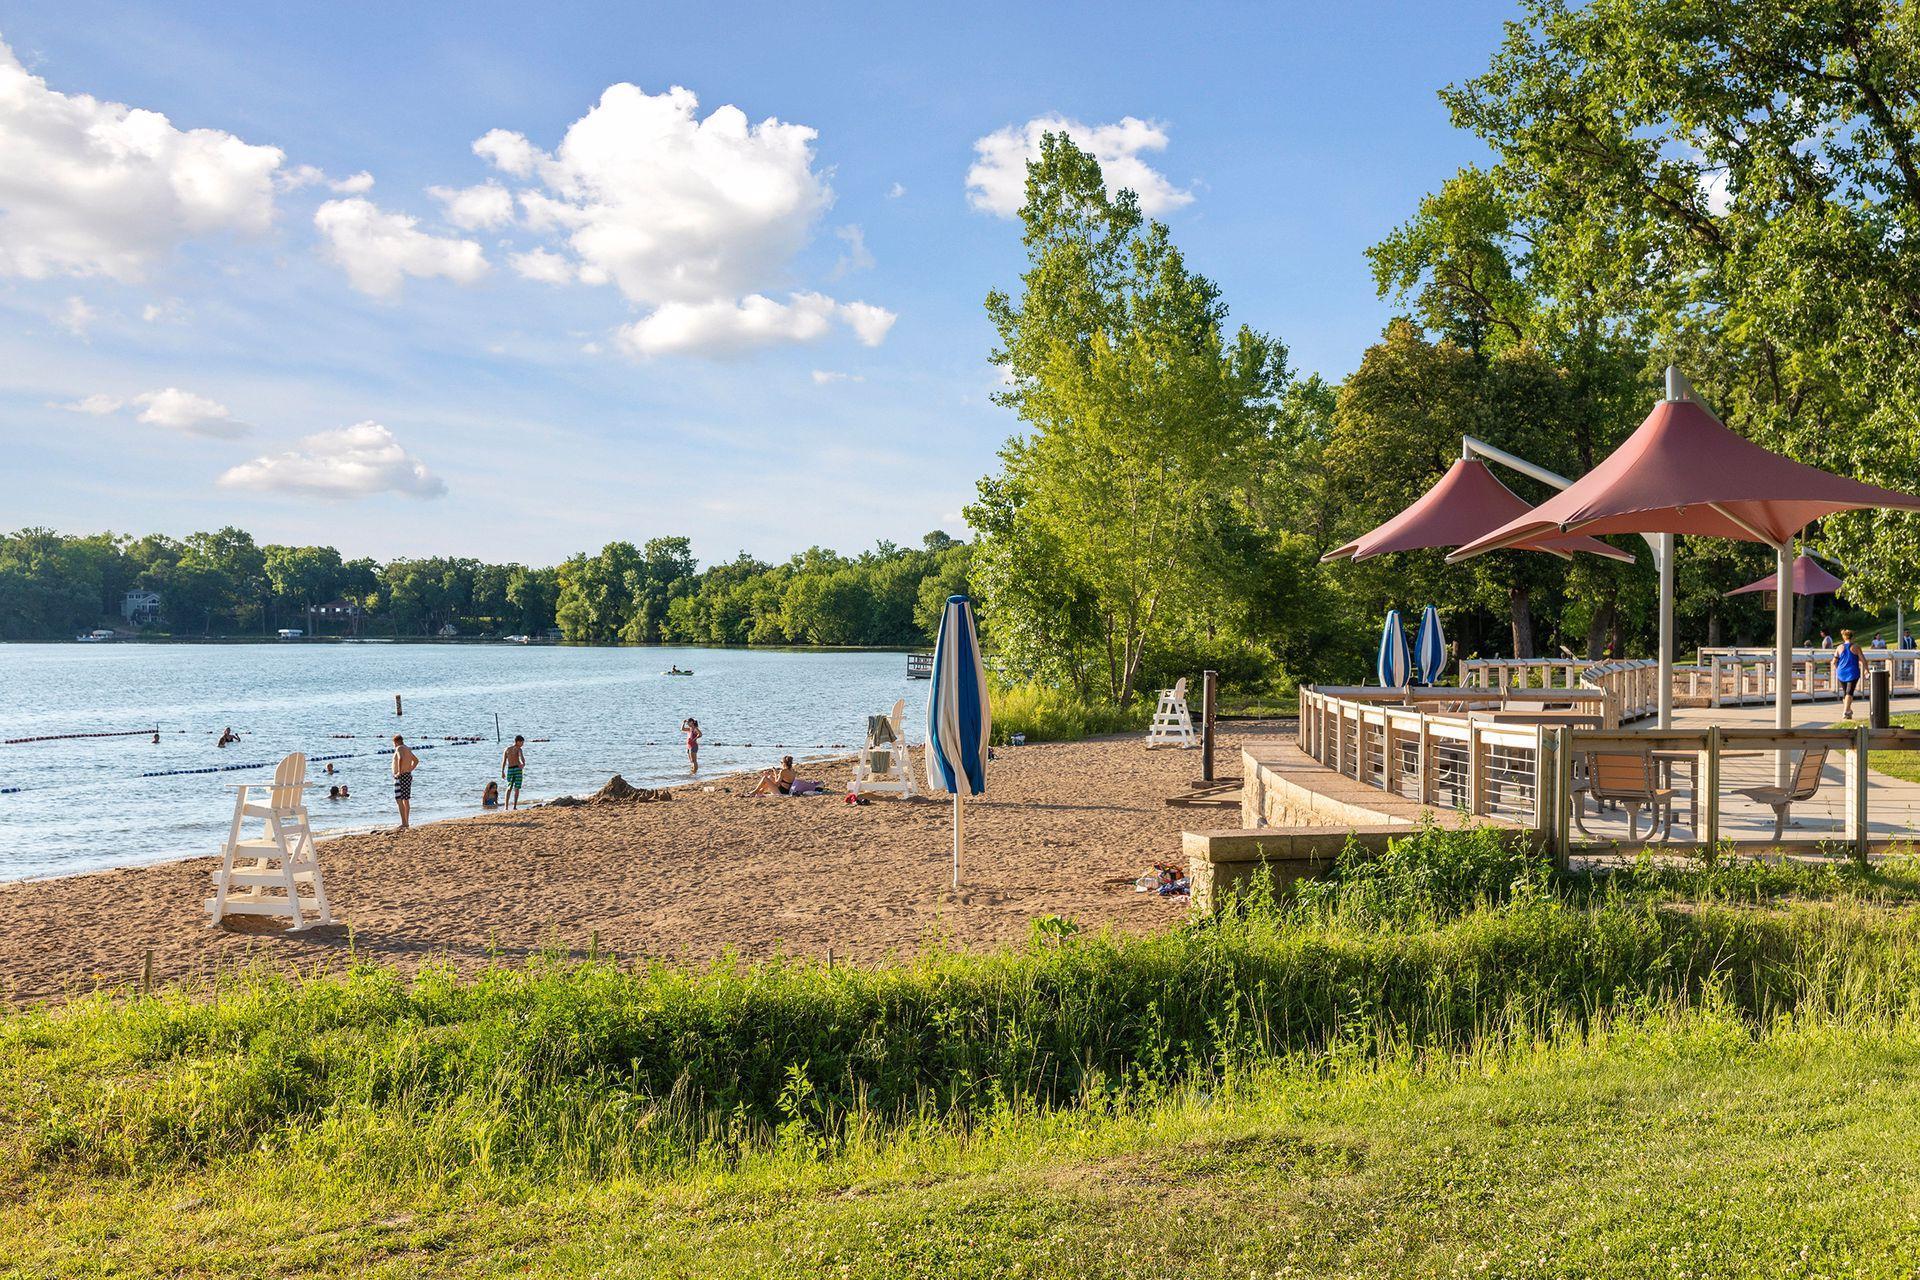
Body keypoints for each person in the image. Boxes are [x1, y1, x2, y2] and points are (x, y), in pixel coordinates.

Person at [391, 734, 420, 829]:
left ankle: (404, 822)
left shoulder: (399, 748)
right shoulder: (407, 748)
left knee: (399, 799)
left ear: (396, 742)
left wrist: (399, 772)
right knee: (406, 800)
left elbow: (400, 758)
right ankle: (406, 822)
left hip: (401, 777)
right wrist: (410, 769)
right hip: (407, 775)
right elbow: (416, 761)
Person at [1836, 629, 1864, 719]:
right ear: (1852, 637)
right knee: (1849, 692)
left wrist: (1838, 669)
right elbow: (1863, 660)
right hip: (1852, 672)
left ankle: (1848, 711)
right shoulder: (1856, 647)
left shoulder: (1839, 647)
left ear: (1843, 637)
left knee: (1846, 693)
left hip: (1841, 672)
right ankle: (1845, 711)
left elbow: (1833, 661)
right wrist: (1866, 670)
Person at [500, 734, 526, 810]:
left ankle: (506, 807)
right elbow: (522, 758)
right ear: (517, 742)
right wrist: (523, 764)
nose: (522, 744)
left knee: (510, 787)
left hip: (510, 769)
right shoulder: (518, 749)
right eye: (522, 742)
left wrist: (502, 771)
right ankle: (513, 806)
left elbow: (504, 761)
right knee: (516, 788)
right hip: (517, 769)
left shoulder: (507, 749)